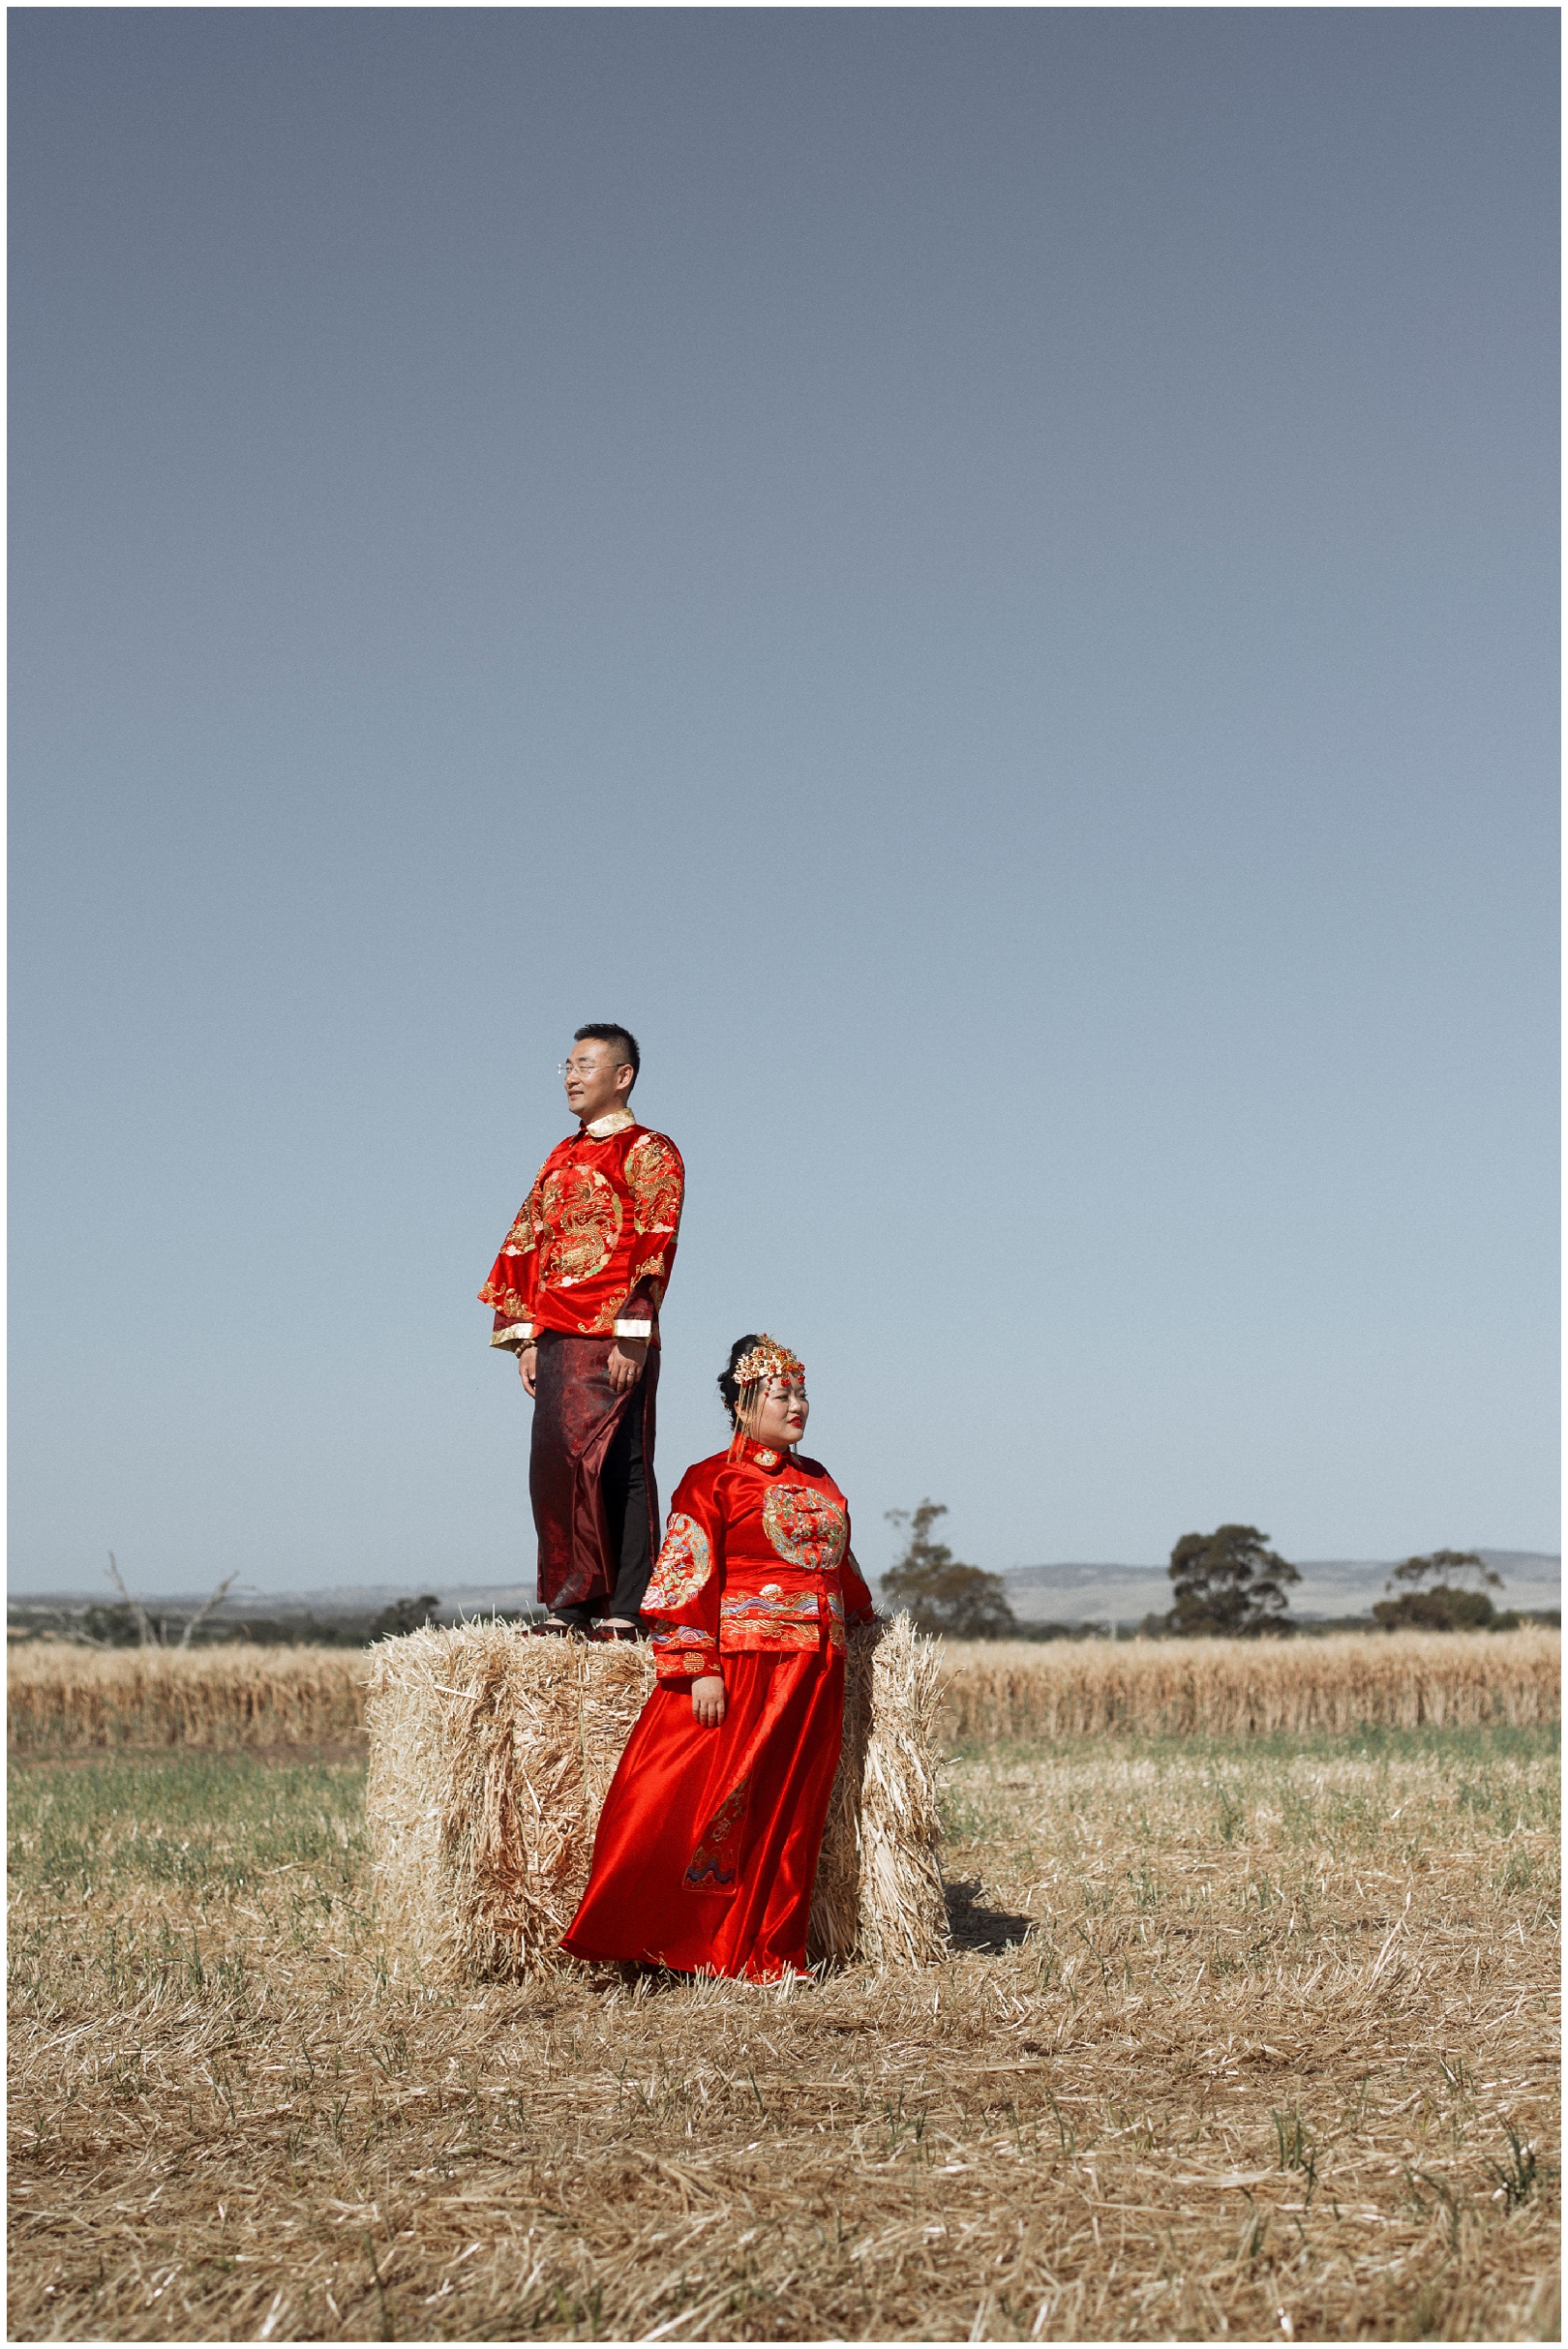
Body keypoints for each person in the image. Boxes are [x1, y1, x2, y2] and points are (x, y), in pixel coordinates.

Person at [560, 1334, 879, 1981]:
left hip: (817, 1670)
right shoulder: (711, 1479)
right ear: (741, 1402)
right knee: (705, 1804)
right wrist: (699, 1664)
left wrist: (871, 1624)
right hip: (743, 1668)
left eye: (801, 1391)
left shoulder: (818, 1477)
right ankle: (675, 1941)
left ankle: (768, 1953)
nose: (797, 1404)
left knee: (791, 1815)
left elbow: (837, 1565)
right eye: (780, 1393)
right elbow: (684, 1580)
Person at [479, 1025, 683, 1639]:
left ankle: (624, 1607)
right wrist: (527, 1337)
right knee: (556, 1468)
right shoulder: (559, 1156)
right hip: (560, 1337)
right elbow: (526, 1242)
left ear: (622, 1076)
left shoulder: (651, 1150)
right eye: (566, 1064)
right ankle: (568, 1606)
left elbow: (657, 1238)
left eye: (585, 1064)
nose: (570, 1075)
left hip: (614, 1334)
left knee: (620, 1467)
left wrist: (633, 1331)